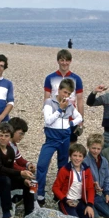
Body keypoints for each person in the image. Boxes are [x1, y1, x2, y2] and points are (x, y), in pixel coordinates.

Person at [36, 78, 83, 207]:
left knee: (62, 167)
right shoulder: (49, 102)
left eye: (68, 94)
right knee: (42, 165)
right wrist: (59, 109)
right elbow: (48, 121)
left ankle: (59, 193)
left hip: (65, 138)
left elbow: (79, 117)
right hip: (51, 138)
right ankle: (40, 194)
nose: (66, 96)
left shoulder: (69, 104)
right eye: (64, 92)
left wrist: (71, 124)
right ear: (59, 90)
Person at [0, 123, 35, 218]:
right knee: (5, 180)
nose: (3, 138)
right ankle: (6, 214)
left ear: (10, 137)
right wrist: (20, 173)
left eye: (6, 136)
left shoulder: (10, 151)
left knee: (27, 182)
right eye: (0, 135)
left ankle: (29, 212)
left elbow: (10, 171)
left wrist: (23, 179)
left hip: (1, 180)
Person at [43, 49, 84, 144]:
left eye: (67, 60)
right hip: (54, 117)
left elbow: (80, 100)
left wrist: (81, 120)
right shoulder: (50, 78)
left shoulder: (76, 79)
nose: (64, 63)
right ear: (58, 61)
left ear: (70, 61)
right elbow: (46, 98)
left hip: (70, 117)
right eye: (62, 60)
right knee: (50, 145)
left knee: (71, 147)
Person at [52, 143, 95, 218]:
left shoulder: (86, 170)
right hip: (67, 200)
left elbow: (90, 188)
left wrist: (89, 205)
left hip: (79, 200)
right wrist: (65, 199)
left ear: (83, 158)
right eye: (74, 155)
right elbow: (55, 187)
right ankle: (64, 210)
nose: (77, 158)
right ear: (70, 156)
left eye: (80, 156)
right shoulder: (64, 170)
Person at [83, 134, 109, 218]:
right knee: (95, 216)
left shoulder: (104, 161)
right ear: (88, 146)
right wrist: (93, 184)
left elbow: (107, 178)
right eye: (93, 148)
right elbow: (82, 180)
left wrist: (107, 193)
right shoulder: (84, 161)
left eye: (98, 149)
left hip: (97, 194)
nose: (96, 151)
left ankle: (96, 205)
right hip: (86, 193)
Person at [8, 117, 37, 205]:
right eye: (20, 134)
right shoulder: (7, 145)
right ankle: (32, 204)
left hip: (12, 172)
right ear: (12, 131)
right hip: (6, 175)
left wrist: (28, 164)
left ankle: (31, 200)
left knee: (32, 174)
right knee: (29, 180)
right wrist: (24, 171)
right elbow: (11, 165)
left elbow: (19, 159)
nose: (22, 137)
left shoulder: (13, 144)